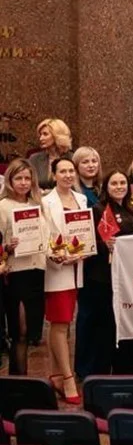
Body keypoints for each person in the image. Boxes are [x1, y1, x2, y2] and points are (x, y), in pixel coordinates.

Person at [78, 170, 133, 379]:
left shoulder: (132, 210)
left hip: (125, 276)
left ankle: (120, 364)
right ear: (106, 187)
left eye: (122, 183)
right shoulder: (98, 210)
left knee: (118, 323)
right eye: (114, 183)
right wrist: (105, 245)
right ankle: (95, 369)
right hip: (100, 277)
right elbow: (87, 242)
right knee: (100, 324)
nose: (119, 187)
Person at [42, 157, 88, 402]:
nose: (68, 175)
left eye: (71, 171)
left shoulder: (81, 199)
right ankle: (68, 379)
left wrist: (84, 251)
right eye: (63, 171)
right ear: (54, 175)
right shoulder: (45, 202)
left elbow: (85, 234)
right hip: (57, 269)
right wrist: (58, 256)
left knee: (64, 324)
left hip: (78, 266)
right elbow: (44, 235)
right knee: (60, 323)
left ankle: (56, 375)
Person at [0, 160, 48, 376]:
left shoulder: (38, 205)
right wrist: (7, 247)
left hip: (37, 272)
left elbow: (47, 237)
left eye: (27, 178)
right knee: (19, 331)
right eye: (18, 178)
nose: (23, 182)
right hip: (16, 274)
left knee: (30, 334)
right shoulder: (3, 206)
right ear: (10, 180)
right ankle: (17, 383)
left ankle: (24, 383)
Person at [29, 118, 72, 189]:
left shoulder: (72, 158)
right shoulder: (34, 159)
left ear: (57, 136)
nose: (41, 138)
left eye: (45, 134)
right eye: (40, 135)